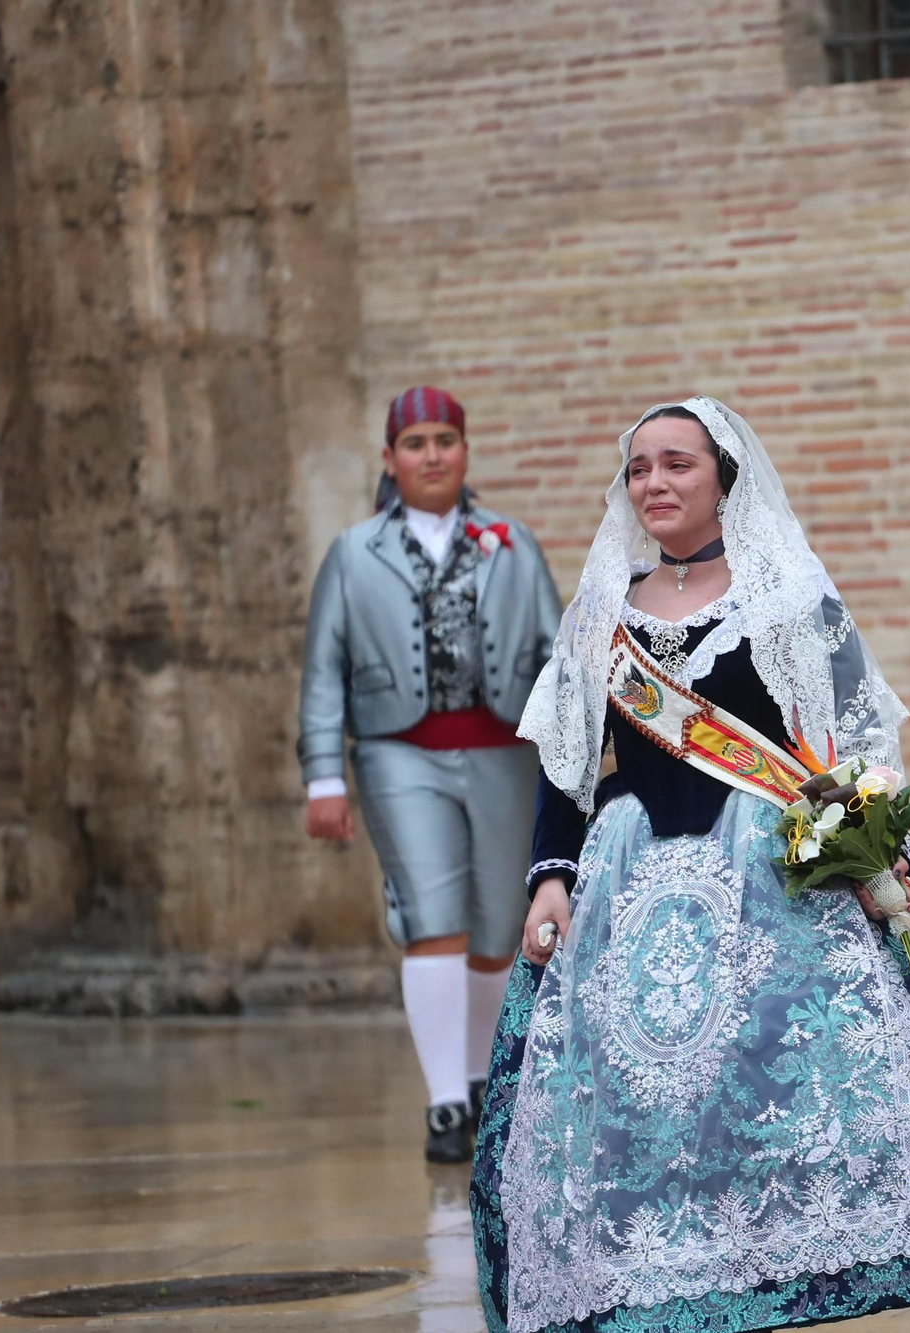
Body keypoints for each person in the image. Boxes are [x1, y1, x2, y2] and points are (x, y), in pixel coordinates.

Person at [469, 396, 910, 1333]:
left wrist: (861, 847)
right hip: (630, 883)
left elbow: (853, 740)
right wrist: (550, 876)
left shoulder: (785, 592)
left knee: (781, 1077)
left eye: (676, 463)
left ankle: (799, 1262)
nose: (654, 483)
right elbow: (564, 767)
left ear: (723, 475)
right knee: (646, 1100)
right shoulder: (599, 612)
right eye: (639, 468)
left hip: (771, 872)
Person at [300, 386, 563, 1163]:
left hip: (507, 754)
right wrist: (323, 776)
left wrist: (575, 751)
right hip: (397, 752)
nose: (432, 454)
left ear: (465, 452)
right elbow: (324, 671)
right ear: (390, 459)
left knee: (494, 927)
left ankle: (484, 1081)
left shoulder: (512, 542)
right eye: (415, 442)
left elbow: (556, 652)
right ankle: (446, 1100)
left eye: (446, 439)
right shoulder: (353, 553)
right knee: (431, 914)